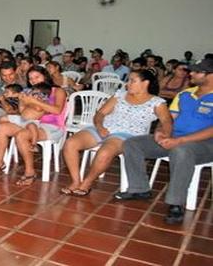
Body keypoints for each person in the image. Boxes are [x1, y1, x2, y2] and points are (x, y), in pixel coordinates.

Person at [116, 59, 213, 224]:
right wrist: (161, 132)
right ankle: (140, 189)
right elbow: (168, 119)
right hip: (175, 138)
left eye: (197, 72)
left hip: (205, 144)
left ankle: (176, 203)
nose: (191, 74)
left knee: (181, 151)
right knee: (133, 143)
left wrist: (181, 140)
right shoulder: (185, 94)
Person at [61, 70, 171, 196]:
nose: (127, 84)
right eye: (128, 80)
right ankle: (76, 181)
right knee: (71, 143)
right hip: (104, 127)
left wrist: (163, 133)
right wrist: (99, 126)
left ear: (145, 83)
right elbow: (101, 113)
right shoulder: (120, 95)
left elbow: (166, 121)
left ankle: (87, 183)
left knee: (105, 151)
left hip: (127, 134)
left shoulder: (157, 102)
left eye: (132, 81)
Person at [0, 66, 67, 185]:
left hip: (51, 126)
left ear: (45, 76)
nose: (34, 81)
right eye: (30, 79)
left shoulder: (57, 91)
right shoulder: (29, 92)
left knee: (22, 135)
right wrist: (23, 102)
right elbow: (23, 113)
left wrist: (34, 102)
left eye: (37, 77)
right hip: (31, 122)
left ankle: (30, 172)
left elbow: (57, 110)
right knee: (2, 127)